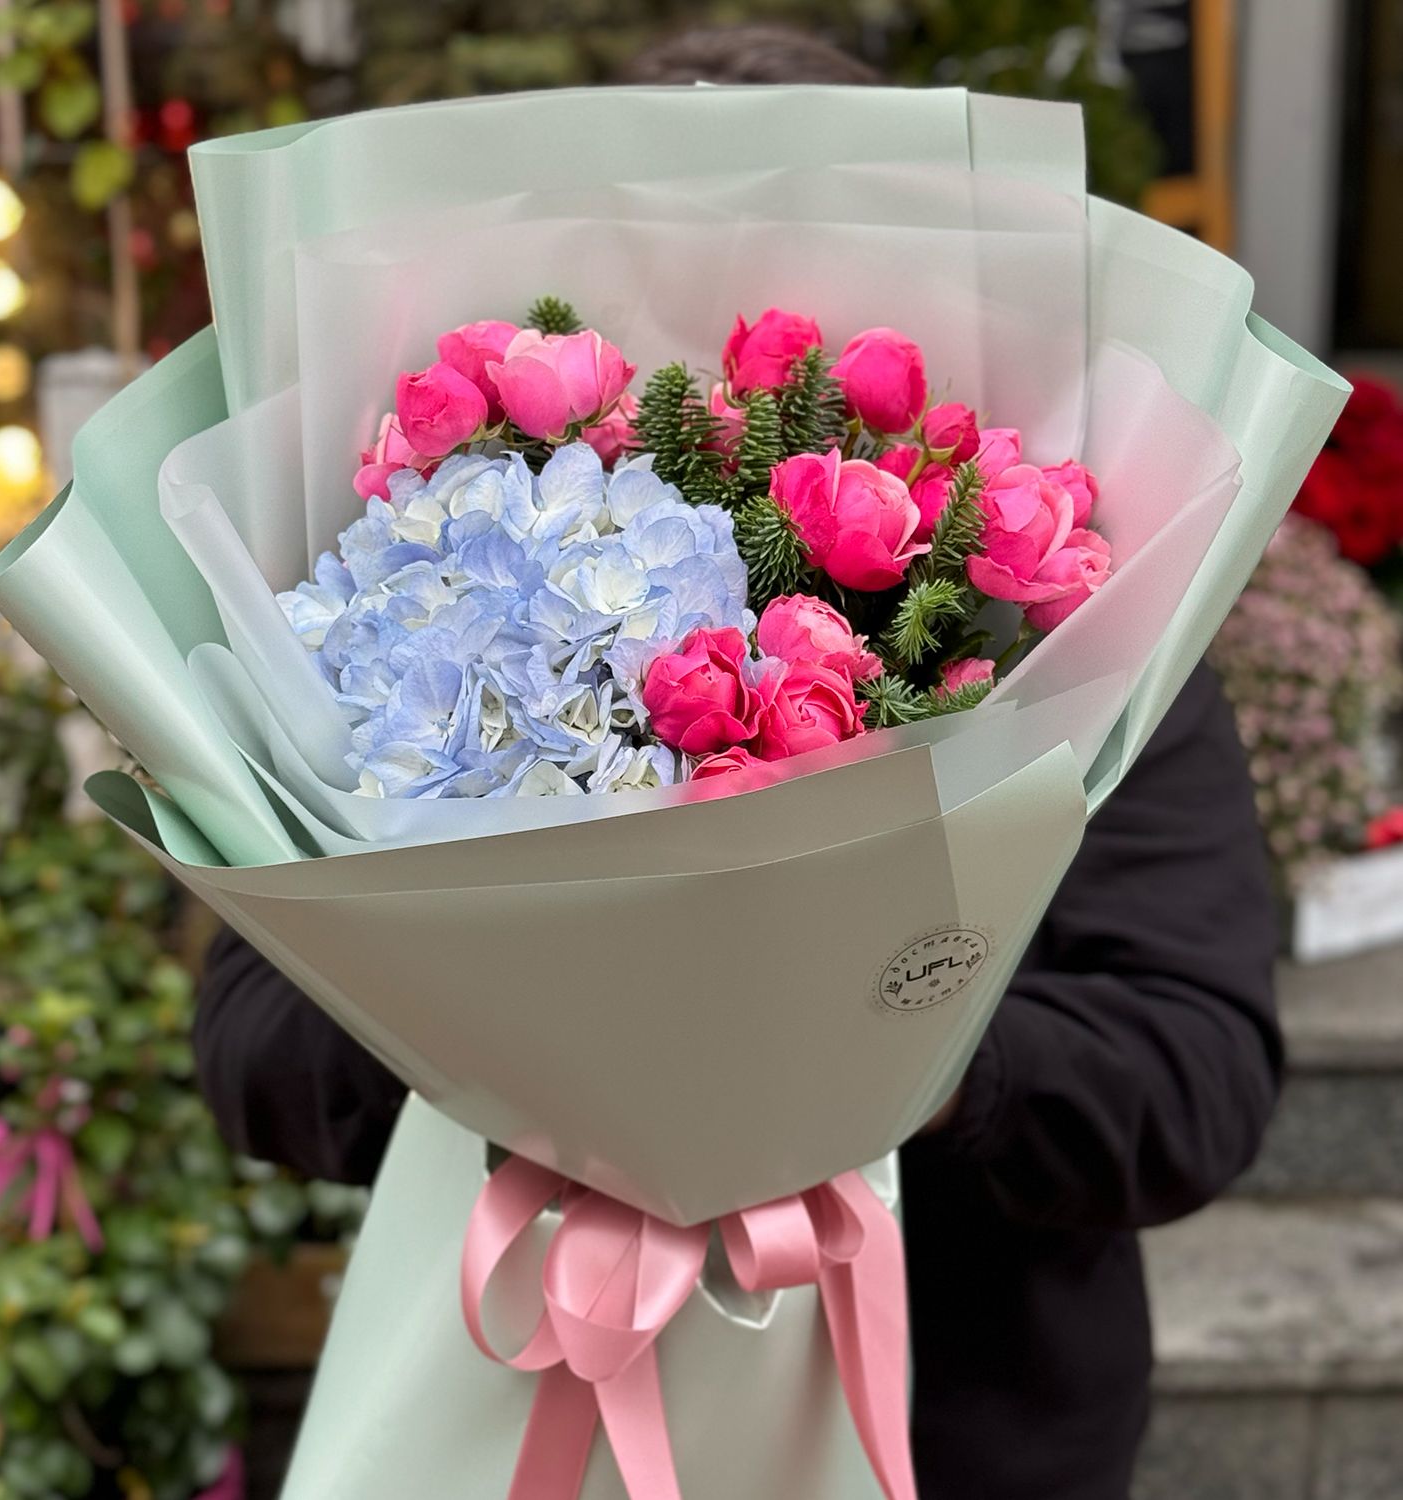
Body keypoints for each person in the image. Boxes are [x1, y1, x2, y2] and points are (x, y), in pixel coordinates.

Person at [194, 26, 1281, 1500]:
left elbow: (1196, 1080)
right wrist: (520, 1009)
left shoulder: (1084, 633)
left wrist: (882, 1050)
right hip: (519, 1409)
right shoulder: (432, 608)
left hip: (968, 1432)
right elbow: (256, 1053)